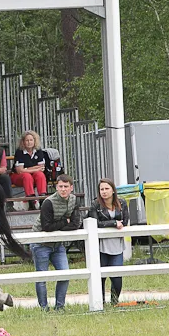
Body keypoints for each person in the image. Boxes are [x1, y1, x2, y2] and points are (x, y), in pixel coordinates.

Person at [31, 174, 81, 311]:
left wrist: (59, 226)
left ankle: (60, 307)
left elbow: (76, 223)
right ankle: (44, 308)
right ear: (56, 187)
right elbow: (46, 226)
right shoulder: (48, 202)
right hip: (41, 243)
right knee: (42, 277)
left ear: (71, 187)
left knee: (65, 274)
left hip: (58, 243)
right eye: (60, 186)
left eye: (66, 186)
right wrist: (65, 221)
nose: (63, 189)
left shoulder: (74, 200)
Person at [88, 178, 129, 305]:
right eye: (102, 189)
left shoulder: (122, 203)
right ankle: (100, 302)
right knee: (100, 276)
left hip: (117, 244)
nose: (104, 192)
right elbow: (95, 223)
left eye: (107, 189)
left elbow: (125, 221)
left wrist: (116, 224)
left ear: (113, 190)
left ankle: (114, 302)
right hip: (100, 245)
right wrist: (113, 223)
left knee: (116, 276)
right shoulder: (95, 205)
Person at [11, 130, 49, 209]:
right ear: (23, 142)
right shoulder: (19, 152)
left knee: (40, 174)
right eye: (27, 140)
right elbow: (19, 171)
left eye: (31, 140)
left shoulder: (38, 151)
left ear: (35, 141)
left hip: (32, 176)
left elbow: (41, 168)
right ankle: (31, 201)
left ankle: (42, 199)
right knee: (27, 176)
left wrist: (26, 169)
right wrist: (35, 168)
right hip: (18, 176)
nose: (29, 142)